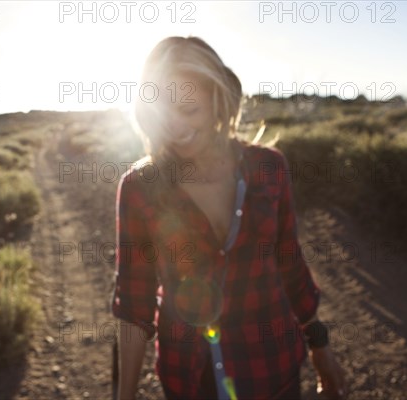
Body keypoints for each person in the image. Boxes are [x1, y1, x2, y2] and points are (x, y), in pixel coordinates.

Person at [111, 36, 347, 400]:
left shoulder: (270, 168)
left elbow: (291, 264)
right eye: (164, 112)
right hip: (189, 379)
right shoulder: (140, 187)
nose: (176, 127)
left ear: (218, 101)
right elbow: (133, 304)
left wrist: (320, 346)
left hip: (273, 370)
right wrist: (123, 395)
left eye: (190, 110)